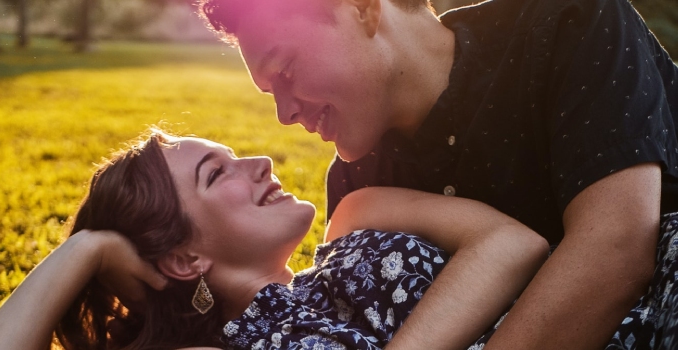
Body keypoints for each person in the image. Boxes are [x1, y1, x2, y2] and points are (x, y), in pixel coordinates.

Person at [198, 0, 678, 347]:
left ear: (363, 8)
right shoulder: (357, 183)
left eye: (284, 72)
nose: (283, 114)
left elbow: (616, 248)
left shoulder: (567, 23)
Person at [0, 131, 555, 349]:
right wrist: (86, 249)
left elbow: (515, 245)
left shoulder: (360, 212)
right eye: (216, 173)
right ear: (183, 257)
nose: (259, 160)